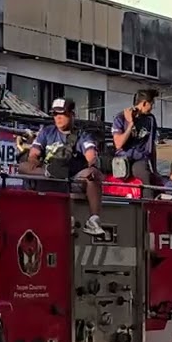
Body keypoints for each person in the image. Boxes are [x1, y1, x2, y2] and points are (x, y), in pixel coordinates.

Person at [19, 98, 105, 235]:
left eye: (62, 114)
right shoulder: (46, 132)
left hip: (72, 176)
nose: (58, 118)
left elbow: (91, 153)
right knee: (23, 166)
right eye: (55, 114)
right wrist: (34, 161)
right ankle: (51, 174)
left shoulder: (82, 135)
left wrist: (93, 166)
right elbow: (33, 154)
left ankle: (93, 220)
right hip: (47, 174)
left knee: (92, 174)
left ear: (72, 115)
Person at [112, 89, 159, 184]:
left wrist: (155, 169)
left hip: (140, 159)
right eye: (151, 104)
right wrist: (130, 124)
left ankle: (148, 198)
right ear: (144, 103)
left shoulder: (150, 119)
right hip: (123, 159)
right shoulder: (121, 117)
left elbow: (152, 145)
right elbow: (118, 144)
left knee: (146, 175)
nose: (152, 107)